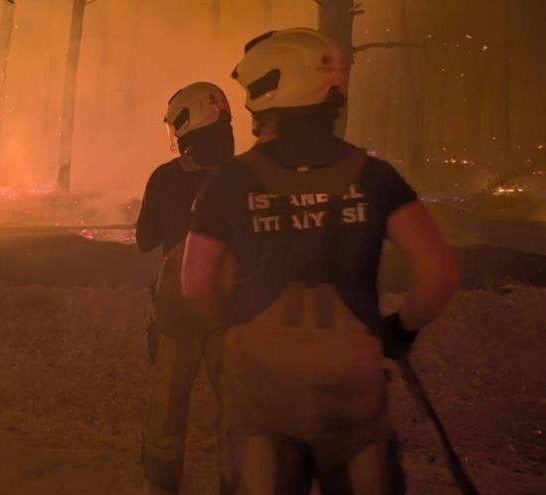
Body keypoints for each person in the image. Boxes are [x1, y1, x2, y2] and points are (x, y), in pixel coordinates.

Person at [180, 28, 460, 495]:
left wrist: (228, 328)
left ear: (265, 93)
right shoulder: (374, 177)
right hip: (353, 383)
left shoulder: (230, 182)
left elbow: (194, 286)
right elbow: (440, 276)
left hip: (261, 383)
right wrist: (399, 330)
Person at [136, 81, 237, 492]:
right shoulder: (246, 177)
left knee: (168, 399)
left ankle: (162, 477)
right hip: (233, 306)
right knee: (238, 401)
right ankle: (240, 478)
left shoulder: (165, 178)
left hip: (178, 306)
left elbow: (145, 241)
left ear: (186, 127)